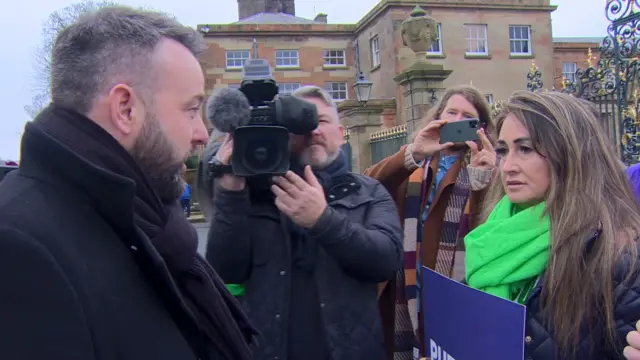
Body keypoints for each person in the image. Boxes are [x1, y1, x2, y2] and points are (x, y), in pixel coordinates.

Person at [0, 6, 255, 360]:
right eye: (191, 109)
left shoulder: (146, 223)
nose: (201, 133)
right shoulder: (18, 247)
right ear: (125, 108)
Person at [206, 85, 403, 360]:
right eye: (302, 123)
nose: (313, 131)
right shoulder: (255, 195)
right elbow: (226, 271)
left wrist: (323, 221)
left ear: (340, 131)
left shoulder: (368, 192)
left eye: (321, 121)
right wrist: (229, 193)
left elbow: (386, 261)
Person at [465, 90, 640, 359]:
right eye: (503, 150)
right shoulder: (492, 234)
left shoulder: (616, 260)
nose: (507, 166)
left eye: (525, 149)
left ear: (570, 155)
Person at [363, 85, 495, 358]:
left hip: (452, 293)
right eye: (451, 112)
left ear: (480, 126)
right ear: (438, 116)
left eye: (466, 116)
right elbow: (365, 186)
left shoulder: (489, 168)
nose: (457, 121)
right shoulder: (413, 161)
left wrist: (484, 180)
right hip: (403, 291)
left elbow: (487, 234)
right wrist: (413, 153)